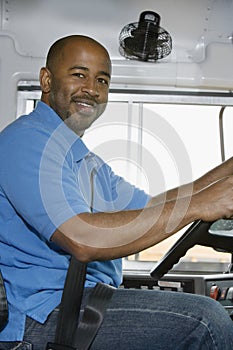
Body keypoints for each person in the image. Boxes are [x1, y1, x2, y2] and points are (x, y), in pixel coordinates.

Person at [0, 35, 233, 350]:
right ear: (46, 79)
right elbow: (82, 239)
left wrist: (225, 175)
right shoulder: (27, 141)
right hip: (47, 316)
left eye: (102, 80)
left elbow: (153, 206)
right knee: (206, 320)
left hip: (87, 301)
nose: (92, 90)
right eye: (79, 74)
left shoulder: (86, 160)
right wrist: (201, 205)